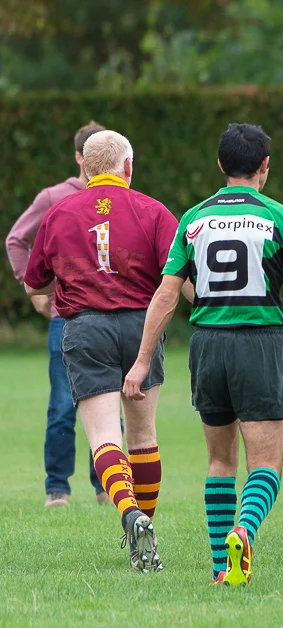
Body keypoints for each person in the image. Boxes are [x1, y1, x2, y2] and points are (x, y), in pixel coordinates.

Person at [123, 123, 283, 585]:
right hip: (258, 346)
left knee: (219, 462)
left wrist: (140, 361)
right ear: (264, 166)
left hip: (207, 347)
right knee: (266, 467)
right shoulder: (278, 217)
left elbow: (166, 296)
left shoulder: (193, 219)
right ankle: (244, 529)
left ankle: (222, 569)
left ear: (220, 165)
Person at [23, 130, 177, 572]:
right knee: (143, 436)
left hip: (85, 328)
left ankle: (129, 514)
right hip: (140, 327)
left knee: (104, 439)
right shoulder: (154, 211)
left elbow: (35, 281)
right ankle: (144, 525)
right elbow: (176, 277)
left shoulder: (59, 213)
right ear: (128, 167)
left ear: (85, 169)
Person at [7, 121, 108, 507]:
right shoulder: (54, 197)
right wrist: (32, 288)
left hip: (109, 317)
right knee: (64, 405)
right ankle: (58, 488)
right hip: (65, 319)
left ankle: (105, 486)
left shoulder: (119, 197)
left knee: (108, 406)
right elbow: (17, 239)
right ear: (80, 157)